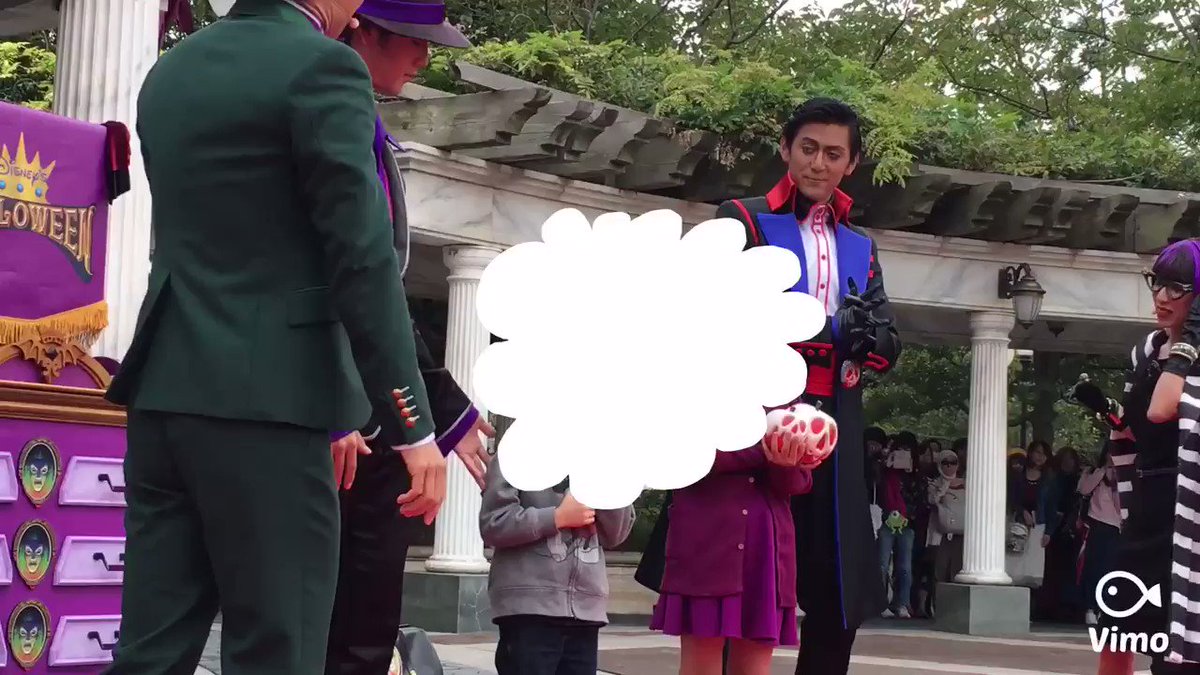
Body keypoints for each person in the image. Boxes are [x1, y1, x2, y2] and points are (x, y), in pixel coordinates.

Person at [101, 1, 447, 672]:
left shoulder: (173, 69)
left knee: (149, 651)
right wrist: (414, 425)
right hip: (272, 404)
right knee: (277, 651)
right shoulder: (323, 68)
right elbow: (362, 259)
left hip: (165, 390)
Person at [322, 3, 489, 673]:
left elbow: (380, 294)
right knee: (328, 624)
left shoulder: (366, 123)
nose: (424, 57)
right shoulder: (323, 109)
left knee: (364, 621)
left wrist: (447, 411)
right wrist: (336, 402)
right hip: (325, 412)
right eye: (412, 40)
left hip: (367, 417)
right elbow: (336, 277)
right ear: (362, 29)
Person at [715, 97, 902, 675]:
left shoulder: (861, 245)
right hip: (757, 424)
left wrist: (867, 337)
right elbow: (718, 312)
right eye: (809, 148)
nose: (819, 163)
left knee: (838, 592)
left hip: (835, 432)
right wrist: (828, 327)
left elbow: (889, 340)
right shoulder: (742, 219)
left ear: (852, 163)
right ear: (786, 149)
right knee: (741, 581)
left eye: (834, 154)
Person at [1099, 239, 1200, 674]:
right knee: (1117, 633)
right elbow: (1142, 428)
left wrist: (1189, 342)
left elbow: (1163, 409)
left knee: (1177, 657)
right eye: (1156, 283)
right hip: (1147, 506)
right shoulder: (1145, 351)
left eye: (1177, 287)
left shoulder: (1189, 354)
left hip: (1190, 514)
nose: (1161, 297)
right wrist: (1115, 419)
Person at [650, 422, 817, 675]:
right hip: (707, 542)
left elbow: (799, 482)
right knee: (700, 665)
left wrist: (784, 462)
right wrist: (765, 449)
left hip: (764, 545)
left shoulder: (784, 405)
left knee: (753, 668)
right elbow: (688, 455)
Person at [480, 462, 635, 675]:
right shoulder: (516, 453)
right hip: (529, 608)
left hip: (586, 611)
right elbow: (494, 524)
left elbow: (615, 534)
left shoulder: (603, 459)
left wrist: (613, 476)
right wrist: (557, 518)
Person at [876, 431, 923, 619]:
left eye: (907, 450)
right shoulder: (884, 471)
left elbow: (919, 498)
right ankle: (880, 602)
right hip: (885, 520)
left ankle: (902, 603)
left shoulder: (916, 474)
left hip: (906, 523)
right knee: (882, 564)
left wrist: (912, 474)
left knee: (904, 567)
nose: (903, 453)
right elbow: (875, 487)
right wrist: (885, 463)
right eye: (900, 449)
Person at [1077, 449, 1120, 627]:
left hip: (1116, 527)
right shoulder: (1095, 472)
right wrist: (1102, 471)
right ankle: (1090, 607)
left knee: (1111, 570)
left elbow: (1121, 506)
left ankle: (1105, 608)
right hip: (1097, 524)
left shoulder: (1123, 475)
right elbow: (1083, 489)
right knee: (1094, 568)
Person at [926, 449, 965, 617]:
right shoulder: (934, 484)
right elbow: (932, 500)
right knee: (939, 571)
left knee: (957, 571)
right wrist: (944, 486)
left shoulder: (966, 483)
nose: (949, 466)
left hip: (962, 534)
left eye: (953, 462)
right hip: (941, 534)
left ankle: (955, 609)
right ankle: (937, 607)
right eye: (945, 463)